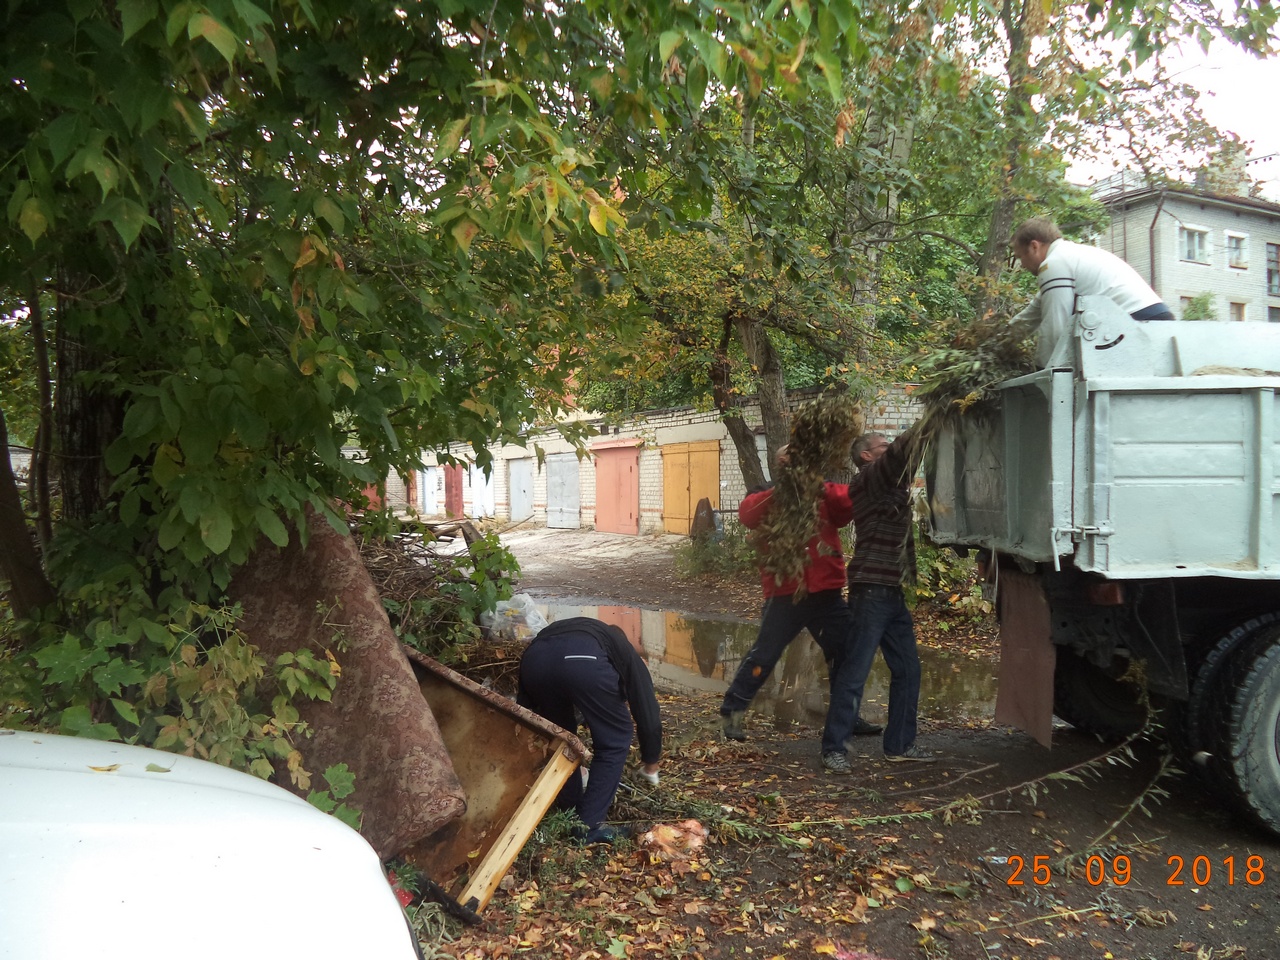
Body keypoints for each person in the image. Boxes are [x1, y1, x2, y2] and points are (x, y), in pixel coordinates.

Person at [719, 445, 882, 761]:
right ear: (780, 464)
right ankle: (732, 713)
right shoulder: (767, 493)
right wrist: (786, 489)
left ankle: (846, 716)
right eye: (791, 457)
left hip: (826, 593)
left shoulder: (822, 492)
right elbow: (747, 514)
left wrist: (816, 486)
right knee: (764, 655)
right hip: (785, 593)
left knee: (847, 652)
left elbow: (846, 508)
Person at [823, 426, 935, 765]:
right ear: (867, 456)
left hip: (889, 591)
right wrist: (931, 415)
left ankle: (899, 745)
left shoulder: (889, 481)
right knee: (855, 672)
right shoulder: (870, 478)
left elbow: (906, 459)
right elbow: (902, 451)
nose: (888, 449)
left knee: (908, 670)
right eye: (881, 445)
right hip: (871, 591)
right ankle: (833, 749)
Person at [517, 616, 662, 844]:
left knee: (559, 736)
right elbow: (646, 707)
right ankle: (588, 827)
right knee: (615, 738)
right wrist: (651, 761)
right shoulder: (623, 650)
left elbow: (531, 708)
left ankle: (570, 811)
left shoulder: (591, 633)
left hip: (534, 660)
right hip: (580, 661)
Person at [1011, 217, 1176, 366]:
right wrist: (996, 341)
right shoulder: (1072, 256)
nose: (1022, 265)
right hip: (1158, 320)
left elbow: (1055, 327)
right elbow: (1030, 317)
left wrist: (1043, 372)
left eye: (1020, 257)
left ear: (1034, 246)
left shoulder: (1054, 264)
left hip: (1137, 322)